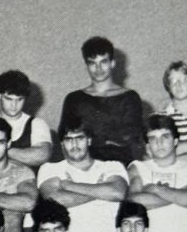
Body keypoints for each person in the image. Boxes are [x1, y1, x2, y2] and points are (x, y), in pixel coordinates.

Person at [37, 116, 129, 232]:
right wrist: (99, 191)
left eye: (79, 138)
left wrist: (69, 186)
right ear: (61, 143)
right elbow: (55, 199)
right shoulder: (50, 169)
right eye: (68, 139)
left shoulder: (112, 166)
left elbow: (117, 192)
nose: (74, 144)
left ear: (89, 140)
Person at [58, 36, 144, 166]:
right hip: (82, 166)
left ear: (112, 63)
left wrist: (88, 136)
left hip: (120, 166)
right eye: (93, 63)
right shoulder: (74, 99)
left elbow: (130, 138)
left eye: (103, 62)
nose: (98, 68)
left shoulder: (129, 97)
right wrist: (107, 138)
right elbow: (64, 138)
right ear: (86, 65)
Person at [0, 70, 52, 171]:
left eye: (19, 99)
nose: (14, 105)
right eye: (9, 99)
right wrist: (23, 155)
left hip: (29, 183)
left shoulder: (37, 124)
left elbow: (42, 155)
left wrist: (3, 151)